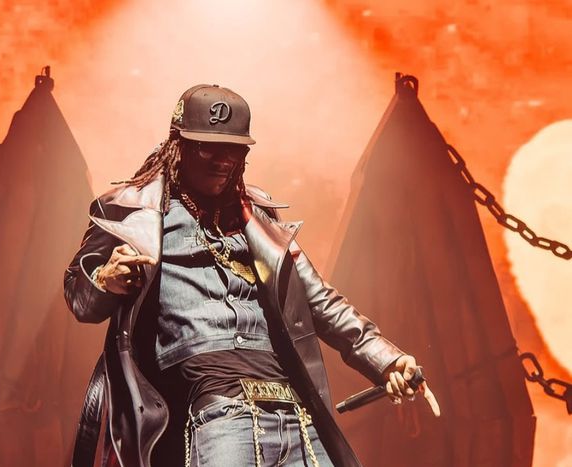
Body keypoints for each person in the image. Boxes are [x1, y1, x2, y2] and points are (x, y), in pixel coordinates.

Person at [64, 84, 439, 467]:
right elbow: (78, 295)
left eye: (235, 150)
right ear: (178, 144)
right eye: (208, 147)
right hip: (222, 414)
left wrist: (386, 359)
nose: (223, 160)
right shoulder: (130, 211)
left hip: (296, 414)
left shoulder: (257, 219)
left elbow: (320, 300)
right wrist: (103, 279)